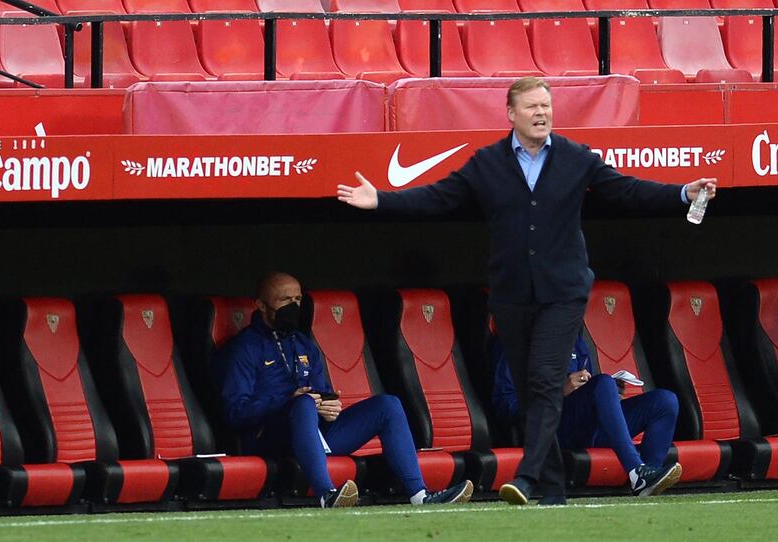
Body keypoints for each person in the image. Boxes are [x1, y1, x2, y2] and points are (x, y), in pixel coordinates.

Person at [336, 77, 716, 506]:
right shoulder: (488, 163)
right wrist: (382, 201)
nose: (541, 113)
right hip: (512, 297)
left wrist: (683, 193)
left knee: (544, 380)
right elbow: (439, 197)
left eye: (546, 106)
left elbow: (627, 190)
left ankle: (530, 476)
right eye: (532, 106)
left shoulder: (576, 158)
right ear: (511, 114)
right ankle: (553, 492)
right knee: (531, 389)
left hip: (564, 293)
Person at [215, 271, 473, 508]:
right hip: (269, 439)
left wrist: (329, 407)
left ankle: (420, 495)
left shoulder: (304, 344)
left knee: (388, 404)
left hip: (315, 434)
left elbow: (320, 393)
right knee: (303, 403)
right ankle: (327, 494)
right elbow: (235, 412)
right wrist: (289, 400)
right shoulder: (244, 348)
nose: (294, 307)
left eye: (298, 299)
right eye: (285, 300)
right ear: (260, 305)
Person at [491, 333, 682, 503]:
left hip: (587, 427)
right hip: (551, 432)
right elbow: (504, 406)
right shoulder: (513, 338)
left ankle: (649, 479)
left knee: (665, 401)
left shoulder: (574, 335)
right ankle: (637, 472)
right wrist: (560, 392)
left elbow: (587, 384)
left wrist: (608, 396)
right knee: (603, 383)